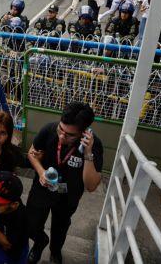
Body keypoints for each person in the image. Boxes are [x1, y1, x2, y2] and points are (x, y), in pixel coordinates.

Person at [26, 102, 103, 264]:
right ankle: (40, 243)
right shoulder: (49, 130)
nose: (62, 136)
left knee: (60, 228)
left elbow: (91, 185)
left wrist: (88, 153)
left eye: (69, 135)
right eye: (61, 129)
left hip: (68, 195)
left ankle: (55, 252)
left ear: (84, 133)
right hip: (43, 187)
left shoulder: (94, 146)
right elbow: (31, 154)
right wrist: (41, 172)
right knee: (32, 223)